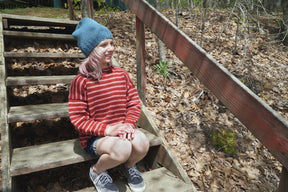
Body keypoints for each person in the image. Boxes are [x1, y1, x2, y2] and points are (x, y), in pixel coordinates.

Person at [69, 17, 150, 192]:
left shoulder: (121, 75)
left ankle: (129, 166)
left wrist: (128, 123)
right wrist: (108, 130)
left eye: (111, 43)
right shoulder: (81, 81)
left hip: (122, 130)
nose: (111, 48)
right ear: (91, 50)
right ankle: (97, 171)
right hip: (96, 137)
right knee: (122, 148)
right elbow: (78, 119)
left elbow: (134, 103)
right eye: (103, 45)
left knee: (143, 143)